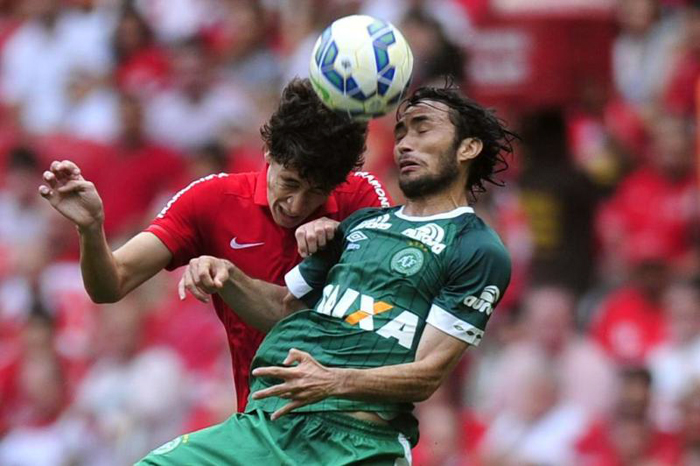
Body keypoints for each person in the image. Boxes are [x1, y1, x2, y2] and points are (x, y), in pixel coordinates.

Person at [142, 85, 516, 464]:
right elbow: (284, 307)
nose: (404, 143)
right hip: (270, 427)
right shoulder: (360, 225)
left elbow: (427, 375)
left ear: (468, 148)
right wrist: (226, 273)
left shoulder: (476, 248)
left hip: (357, 445)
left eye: (422, 129)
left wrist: (333, 381)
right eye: (401, 132)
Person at [38, 78, 392, 412]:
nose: (296, 205)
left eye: (316, 192)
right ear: (268, 152)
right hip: (263, 421)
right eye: (290, 182)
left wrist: (345, 239)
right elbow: (110, 284)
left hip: (355, 419)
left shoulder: (361, 197)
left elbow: (384, 311)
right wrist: (90, 228)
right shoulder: (212, 201)